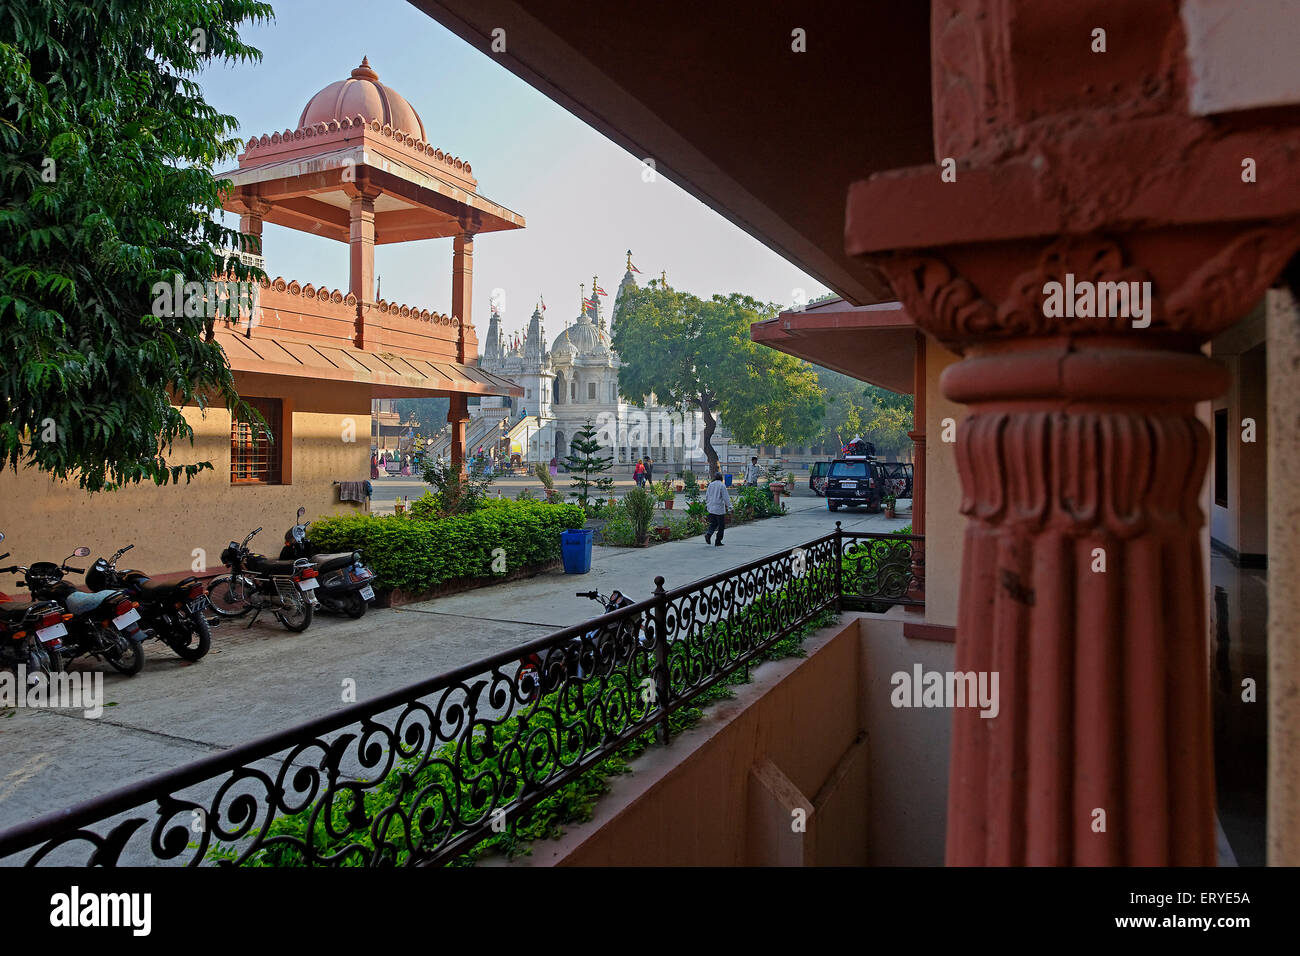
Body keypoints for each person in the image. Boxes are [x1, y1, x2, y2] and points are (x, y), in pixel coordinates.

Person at [704, 472, 732, 547]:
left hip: (711, 508)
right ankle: (718, 541)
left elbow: (707, 496)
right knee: (721, 526)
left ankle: (709, 534)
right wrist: (730, 507)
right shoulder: (722, 485)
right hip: (719, 509)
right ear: (721, 478)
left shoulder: (711, 484)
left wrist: (707, 505)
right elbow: (726, 497)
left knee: (713, 523)